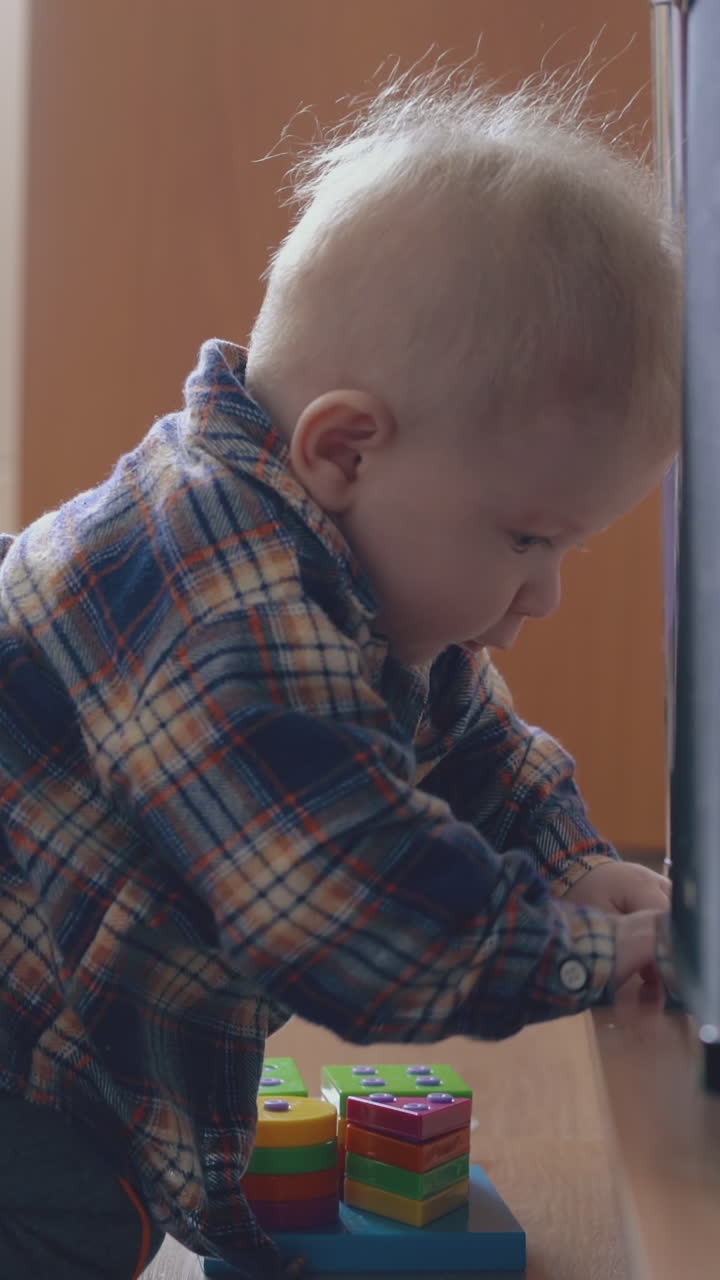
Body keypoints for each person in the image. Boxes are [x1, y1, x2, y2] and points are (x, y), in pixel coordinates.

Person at [0, 66, 680, 1279]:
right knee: (75, 1223)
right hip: (18, 1073)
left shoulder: (323, 555)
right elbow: (353, 920)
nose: (546, 592)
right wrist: (587, 948)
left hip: (71, 1041)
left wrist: (568, 856)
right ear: (347, 446)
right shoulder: (221, 607)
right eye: (529, 537)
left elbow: (461, 731)